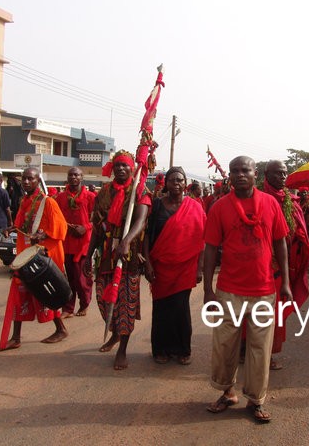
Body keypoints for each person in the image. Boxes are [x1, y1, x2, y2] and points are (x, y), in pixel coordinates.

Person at [204, 156, 291, 423]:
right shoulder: (219, 207)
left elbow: (280, 244)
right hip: (229, 289)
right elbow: (210, 249)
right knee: (224, 345)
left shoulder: (270, 204)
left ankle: (256, 399)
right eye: (235, 171)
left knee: (259, 348)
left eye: (245, 170)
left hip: (264, 289)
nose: (240, 174)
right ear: (229, 175)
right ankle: (227, 392)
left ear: (256, 174)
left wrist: (285, 282)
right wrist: (208, 289)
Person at [86, 150, 151, 370]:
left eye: (125, 165)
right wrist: (88, 255)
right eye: (117, 166)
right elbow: (96, 227)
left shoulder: (140, 190)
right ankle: (114, 333)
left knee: (125, 303)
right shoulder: (104, 192)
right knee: (103, 299)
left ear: (132, 168)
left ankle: (122, 348)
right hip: (105, 255)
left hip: (128, 255)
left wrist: (126, 241)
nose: (121, 169)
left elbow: (141, 221)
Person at [0, 167, 69, 351]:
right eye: (24, 179)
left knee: (46, 294)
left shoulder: (48, 202)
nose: (26, 182)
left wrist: (43, 235)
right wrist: (11, 229)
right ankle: (16, 337)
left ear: (38, 181)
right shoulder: (24, 201)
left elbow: (61, 229)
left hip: (43, 257)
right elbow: (22, 225)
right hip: (26, 256)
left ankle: (61, 329)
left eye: (30, 179)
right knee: (19, 294)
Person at [143, 167, 206, 365]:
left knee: (181, 309)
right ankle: (160, 349)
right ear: (166, 183)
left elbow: (203, 240)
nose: (176, 184)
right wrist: (148, 264)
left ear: (185, 182)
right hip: (160, 266)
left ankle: (182, 350)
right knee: (161, 308)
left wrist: (199, 268)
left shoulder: (195, 207)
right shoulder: (156, 206)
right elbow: (146, 238)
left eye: (180, 180)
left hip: (186, 267)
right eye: (172, 180)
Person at [261, 160, 309, 369]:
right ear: (266, 175)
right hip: (260, 263)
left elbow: (298, 229)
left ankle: (268, 353)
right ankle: (250, 350)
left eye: (284, 174)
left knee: (276, 311)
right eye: (277, 174)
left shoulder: (290, 200)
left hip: (283, 264)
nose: (282, 177)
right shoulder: (259, 198)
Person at [57, 167, 94, 318]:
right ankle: (68, 308)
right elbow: (57, 217)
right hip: (66, 243)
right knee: (68, 278)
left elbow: (95, 218)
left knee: (82, 278)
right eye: (71, 174)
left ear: (81, 177)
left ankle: (84, 304)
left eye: (76, 175)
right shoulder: (60, 197)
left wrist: (85, 228)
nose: (73, 177)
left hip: (84, 244)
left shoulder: (91, 197)